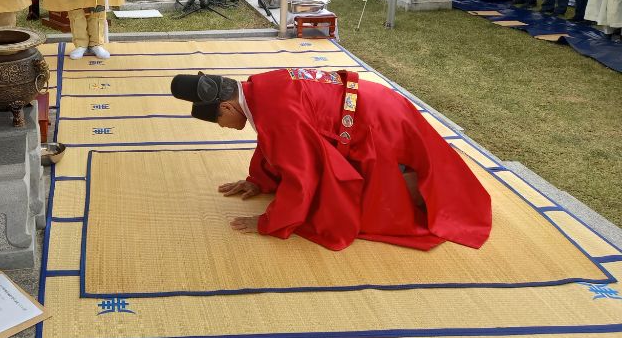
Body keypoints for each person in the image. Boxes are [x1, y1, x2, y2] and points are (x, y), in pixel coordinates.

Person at [169, 71, 492, 252]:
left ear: (227, 107)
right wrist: (259, 181)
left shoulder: (275, 113)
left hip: (375, 122)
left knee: (364, 209)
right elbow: (274, 142)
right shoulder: (259, 88)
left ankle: (416, 188)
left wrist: (270, 222)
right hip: (373, 101)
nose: (224, 128)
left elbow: (302, 176)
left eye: (219, 122)